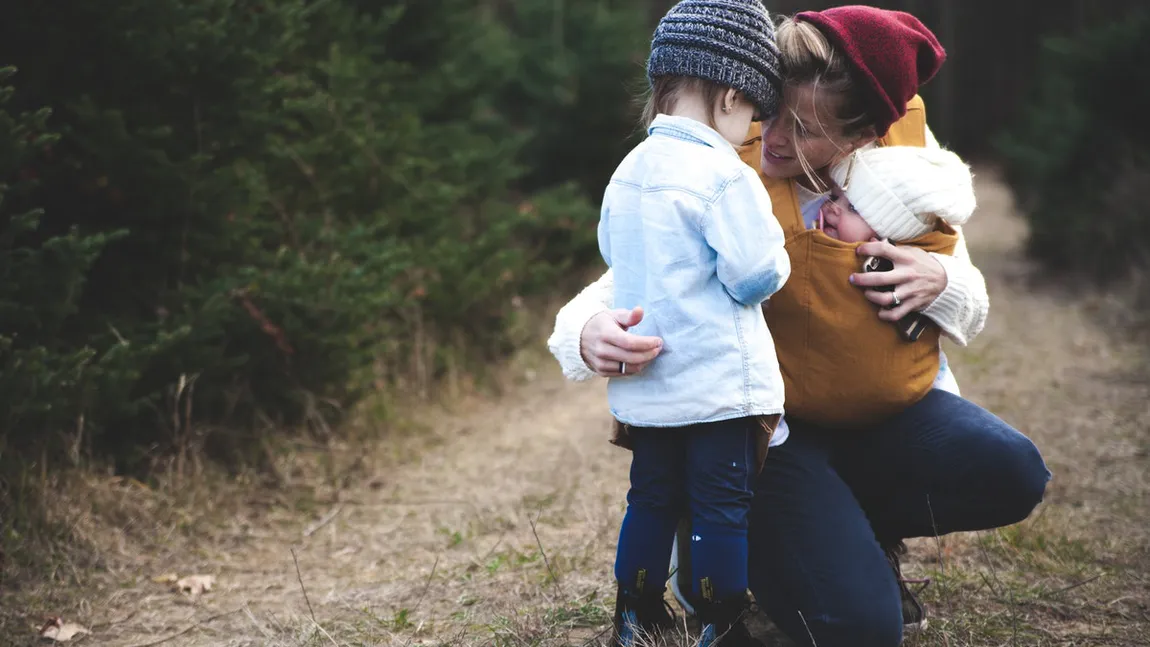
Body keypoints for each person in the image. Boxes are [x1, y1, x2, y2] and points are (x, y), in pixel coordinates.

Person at [549, 7, 1051, 647]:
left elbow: (972, 302)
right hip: (766, 437)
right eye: (772, 113)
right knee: (863, 631)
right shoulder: (724, 162)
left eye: (806, 128)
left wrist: (942, 281)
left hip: (878, 419)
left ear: (864, 134)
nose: (776, 137)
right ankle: (713, 539)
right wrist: (585, 329)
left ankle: (850, 527)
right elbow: (632, 271)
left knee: (1012, 471)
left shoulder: (902, 176)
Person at [597, 1, 790, 645]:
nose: (751, 132)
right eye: (753, 116)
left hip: (650, 387)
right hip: (717, 388)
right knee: (719, 508)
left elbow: (612, 256)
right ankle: (720, 620)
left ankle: (636, 613)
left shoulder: (627, 172)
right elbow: (754, 274)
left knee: (651, 498)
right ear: (732, 96)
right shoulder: (723, 174)